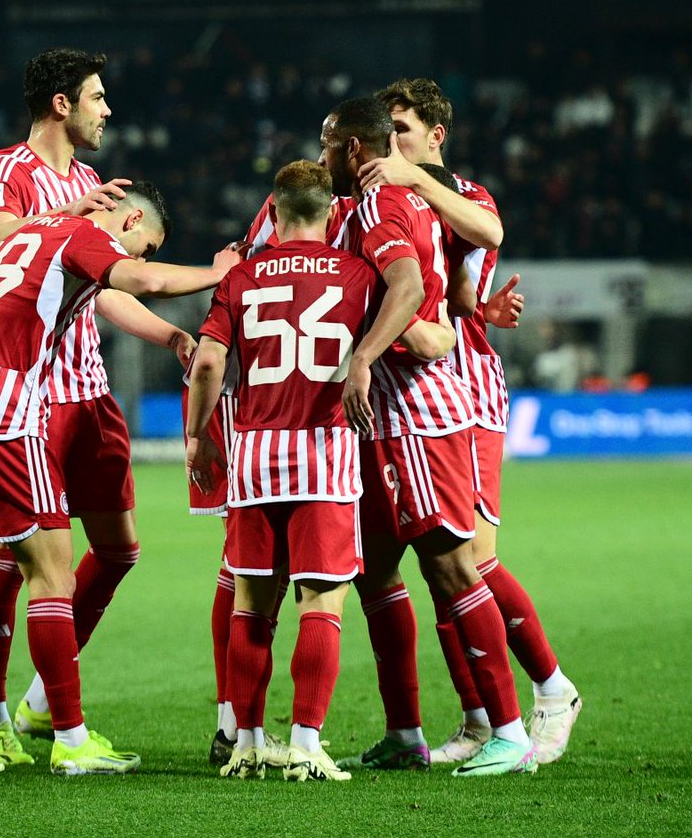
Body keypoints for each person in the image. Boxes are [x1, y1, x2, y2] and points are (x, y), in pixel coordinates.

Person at [0, 182, 240, 776]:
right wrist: (217, 273)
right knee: (52, 578)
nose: (140, 255)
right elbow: (144, 280)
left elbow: (105, 286)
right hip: (7, 411)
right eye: (145, 244)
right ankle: (69, 738)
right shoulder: (85, 234)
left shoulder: (35, 228)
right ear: (131, 220)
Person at [0, 48, 198, 769]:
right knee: (16, 563)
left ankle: (43, 698)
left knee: (119, 549)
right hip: (29, 400)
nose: (107, 110)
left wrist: (167, 334)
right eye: (97, 97)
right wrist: (64, 213)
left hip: (88, 392)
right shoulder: (5, 169)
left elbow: (105, 285)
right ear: (61, 104)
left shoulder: (94, 184)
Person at [365, 78, 581, 766]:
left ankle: (552, 689)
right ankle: (479, 717)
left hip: (466, 389)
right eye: (385, 130)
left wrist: (413, 179)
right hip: (406, 391)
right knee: (437, 567)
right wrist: (475, 307)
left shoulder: (463, 192)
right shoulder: (383, 199)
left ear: (435, 135)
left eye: (403, 129)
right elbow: (456, 291)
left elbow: (488, 233)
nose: (391, 142)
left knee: (471, 560)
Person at [322, 97, 538, 777]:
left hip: (416, 412)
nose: (321, 156)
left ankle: (508, 730)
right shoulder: (387, 203)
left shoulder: (383, 203)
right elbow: (446, 292)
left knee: (452, 566)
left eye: (327, 145)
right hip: (384, 418)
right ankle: (405, 732)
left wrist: (368, 351)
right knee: (374, 570)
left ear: (353, 149)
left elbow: (409, 287)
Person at [184, 161, 372, 782]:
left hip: (256, 454)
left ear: (273, 208)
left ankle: (247, 742)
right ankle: (306, 744)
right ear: (332, 211)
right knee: (321, 604)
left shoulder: (241, 276)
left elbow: (208, 363)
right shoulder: (358, 274)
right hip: (325, 454)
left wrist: (197, 436)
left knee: (250, 607)